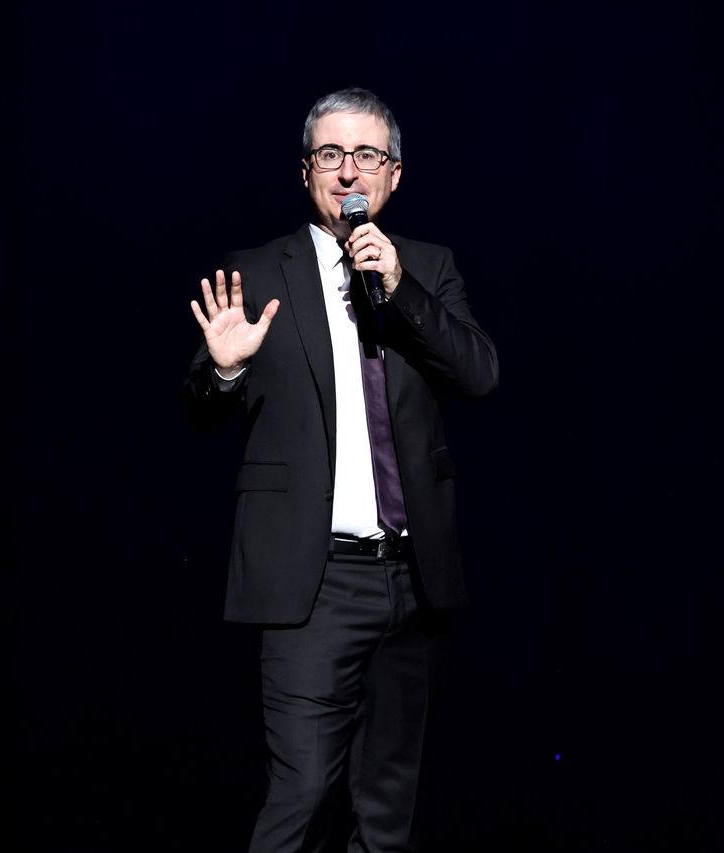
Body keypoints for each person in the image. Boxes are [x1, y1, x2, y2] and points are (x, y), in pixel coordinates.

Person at [182, 87, 498, 852]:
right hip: (313, 582)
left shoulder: (426, 267)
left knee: (386, 813)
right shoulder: (257, 272)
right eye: (330, 154)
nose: (347, 169)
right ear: (305, 173)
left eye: (366, 155)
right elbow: (199, 411)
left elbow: (480, 375)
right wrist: (222, 372)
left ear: (393, 175)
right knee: (300, 793)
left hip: (411, 579)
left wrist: (399, 288)